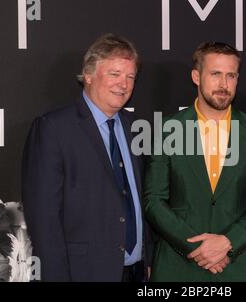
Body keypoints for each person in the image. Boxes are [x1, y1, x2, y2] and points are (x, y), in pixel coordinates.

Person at [22, 33, 151, 282]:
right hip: (83, 273)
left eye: (130, 77)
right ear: (88, 75)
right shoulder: (53, 128)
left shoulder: (135, 127)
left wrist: (148, 259)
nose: (124, 84)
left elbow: (137, 201)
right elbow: (44, 219)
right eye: (114, 74)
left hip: (135, 272)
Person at [143, 42, 246, 281]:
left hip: (236, 268)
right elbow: (154, 200)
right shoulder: (168, 129)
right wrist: (198, 249)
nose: (224, 85)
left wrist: (228, 243)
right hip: (178, 268)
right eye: (215, 74)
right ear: (196, 76)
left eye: (231, 75)